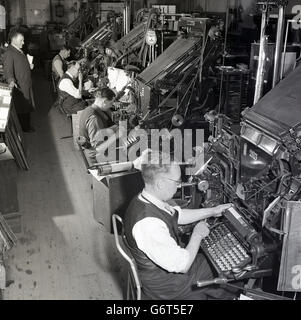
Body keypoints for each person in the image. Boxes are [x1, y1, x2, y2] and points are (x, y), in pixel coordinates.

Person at [124, 151, 238, 300]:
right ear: (160, 184)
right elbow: (182, 265)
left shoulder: (146, 198)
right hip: (168, 286)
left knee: (215, 259)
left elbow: (177, 215)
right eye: (176, 182)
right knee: (225, 265)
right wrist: (197, 234)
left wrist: (212, 211)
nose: (179, 187)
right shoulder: (148, 225)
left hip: (162, 273)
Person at [78, 87, 123, 163]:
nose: (111, 106)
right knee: (131, 152)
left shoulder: (90, 109)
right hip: (97, 155)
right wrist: (116, 135)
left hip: (96, 146)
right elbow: (97, 148)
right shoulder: (94, 118)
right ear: (104, 101)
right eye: (111, 103)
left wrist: (113, 128)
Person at [3, 30, 35, 132]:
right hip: (20, 86)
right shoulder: (9, 53)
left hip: (25, 84)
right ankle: (25, 128)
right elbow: (8, 71)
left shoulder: (18, 50)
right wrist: (11, 81)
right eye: (21, 40)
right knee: (22, 108)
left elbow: (20, 64)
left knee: (26, 107)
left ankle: (26, 126)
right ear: (14, 40)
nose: (23, 42)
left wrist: (29, 65)